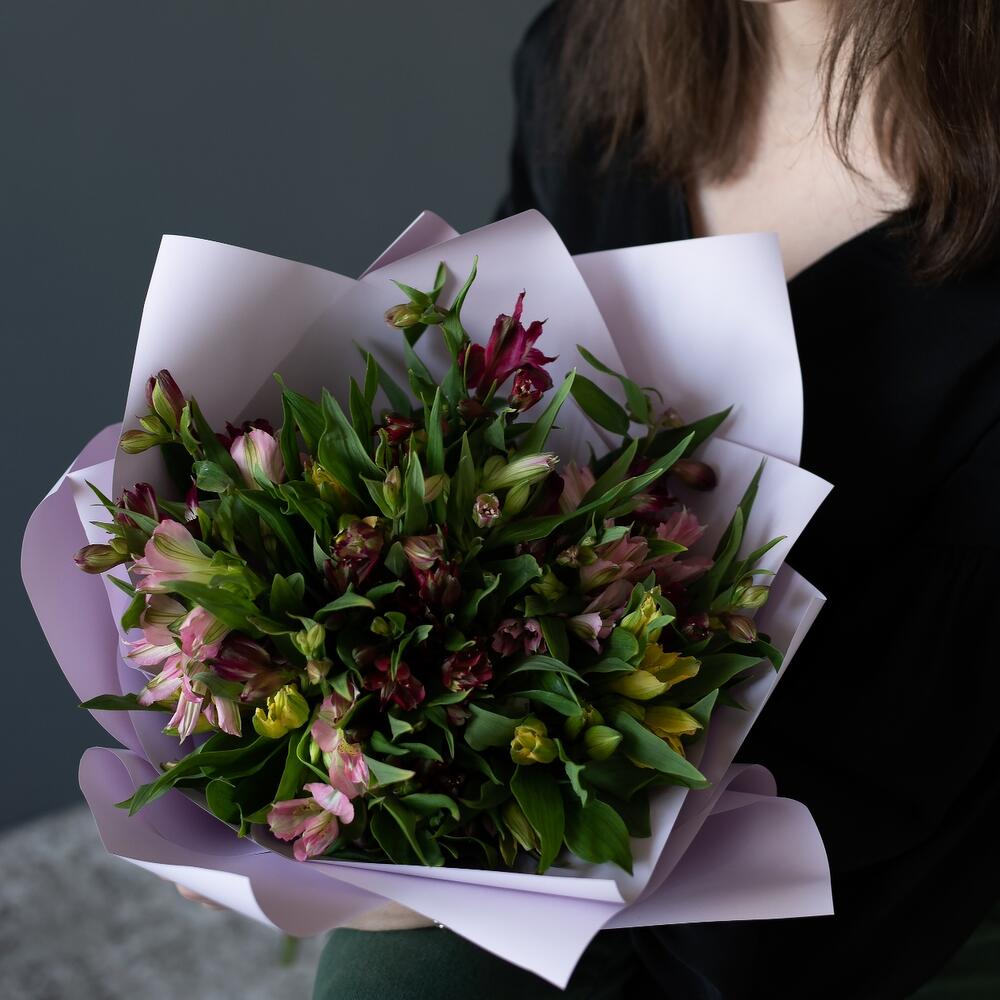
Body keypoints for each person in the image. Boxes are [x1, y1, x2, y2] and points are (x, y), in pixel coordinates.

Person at [202, 2, 1000, 996]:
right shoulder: (586, 62)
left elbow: (904, 760)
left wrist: (481, 866)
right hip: (562, 771)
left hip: (883, 860)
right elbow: (495, 422)